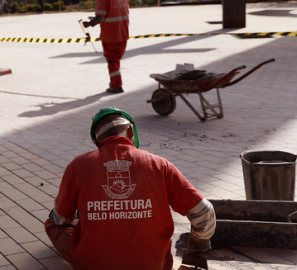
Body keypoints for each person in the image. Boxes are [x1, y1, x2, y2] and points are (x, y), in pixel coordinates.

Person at [44, 107, 216, 270]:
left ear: (97, 141)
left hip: (94, 265)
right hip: (153, 266)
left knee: (53, 223)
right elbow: (205, 213)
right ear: (131, 131)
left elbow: (62, 218)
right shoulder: (160, 165)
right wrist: (195, 253)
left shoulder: (78, 166)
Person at [82, 0, 130, 94]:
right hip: (123, 34)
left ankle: (116, 86)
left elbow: (101, 18)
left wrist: (89, 23)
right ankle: (114, 81)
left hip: (110, 36)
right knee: (116, 60)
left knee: (112, 61)